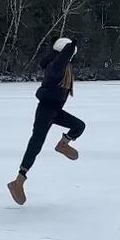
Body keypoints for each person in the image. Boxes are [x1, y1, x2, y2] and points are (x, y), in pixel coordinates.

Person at [7, 37, 84, 205]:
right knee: (36, 144)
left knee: (79, 126)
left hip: (55, 111)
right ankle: (18, 181)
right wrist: (72, 45)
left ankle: (63, 144)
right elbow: (62, 60)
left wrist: (71, 48)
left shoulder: (63, 66)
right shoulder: (56, 66)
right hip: (45, 111)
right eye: (70, 54)